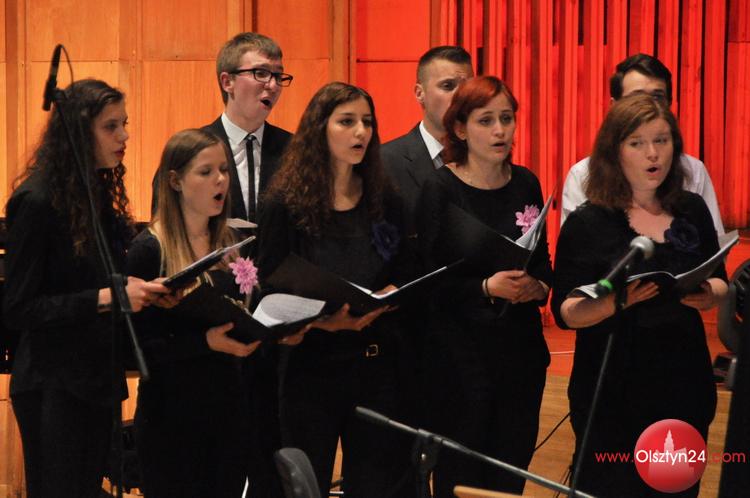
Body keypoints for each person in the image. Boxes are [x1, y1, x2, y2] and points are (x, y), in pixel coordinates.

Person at [552, 94, 728, 497]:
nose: (653, 154)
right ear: (614, 152)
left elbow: (719, 279)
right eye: (638, 143)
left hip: (682, 379)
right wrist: (617, 302)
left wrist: (709, 294)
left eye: (662, 141)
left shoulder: (691, 209)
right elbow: (566, 311)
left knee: (676, 487)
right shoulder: (589, 221)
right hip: (613, 384)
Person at [3, 79, 168, 498]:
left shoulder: (93, 192)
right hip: (52, 382)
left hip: (94, 376)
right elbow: (19, 307)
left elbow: (89, 279)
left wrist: (136, 287)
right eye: (111, 126)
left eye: (124, 124)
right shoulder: (36, 200)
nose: (124, 136)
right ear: (78, 132)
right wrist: (108, 297)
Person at [257, 82, 413, 498]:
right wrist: (323, 321)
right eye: (346, 122)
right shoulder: (284, 203)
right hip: (310, 366)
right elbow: (267, 286)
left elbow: (405, 268)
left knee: (375, 484)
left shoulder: (385, 198)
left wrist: (391, 294)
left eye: (367, 122)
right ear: (319, 129)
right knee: (307, 482)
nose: (361, 132)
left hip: (374, 364)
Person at [415, 75, 552, 497]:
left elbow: (543, 262)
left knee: (511, 472)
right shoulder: (440, 187)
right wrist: (485, 288)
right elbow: (425, 284)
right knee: (461, 477)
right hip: (460, 357)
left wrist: (538, 286)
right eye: (486, 120)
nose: (499, 131)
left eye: (506, 119)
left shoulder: (526, 182)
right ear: (460, 129)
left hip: (520, 354)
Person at [561, 53, 724, 235]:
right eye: (636, 99)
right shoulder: (583, 175)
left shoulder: (694, 172)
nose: (647, 107)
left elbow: (716, 245)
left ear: (669, 104)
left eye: (657, 97)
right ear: (614, 106)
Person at [382, 45, 474, 226]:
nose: (460, 96)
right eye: (448, 86)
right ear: (420, 93)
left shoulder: (485, 157)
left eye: (467, 87)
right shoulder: (385, 162)